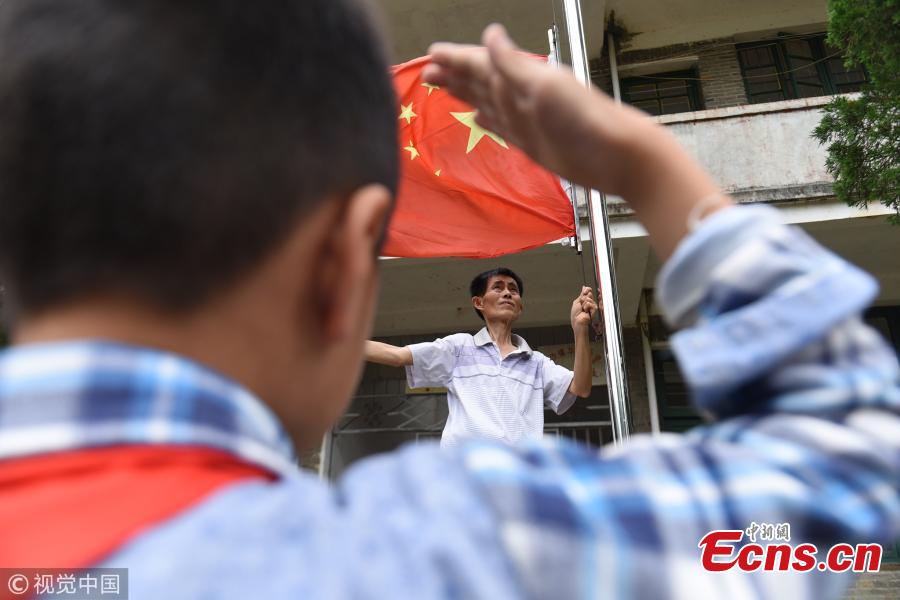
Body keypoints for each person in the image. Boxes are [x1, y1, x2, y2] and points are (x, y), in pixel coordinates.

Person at [0, 1, 896, 598]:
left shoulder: (528, 369)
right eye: (498, 284)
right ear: (346, 266)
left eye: (514, 283)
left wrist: (585, 330)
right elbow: (847, 467)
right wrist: (647, 166)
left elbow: (575, 396)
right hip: (490, 483)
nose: (508, 290)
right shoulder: (437, 549)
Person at [364, 267, 597, 447]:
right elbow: (396, 356)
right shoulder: (459, 348)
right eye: (498, 287)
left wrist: (579, 330)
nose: (507, 293)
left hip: (516, 480)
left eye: (513, 290)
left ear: (520, 306)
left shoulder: (535, 362)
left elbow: (581, 387)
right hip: (465, 477)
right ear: (479, 303)